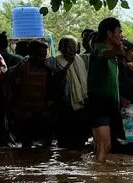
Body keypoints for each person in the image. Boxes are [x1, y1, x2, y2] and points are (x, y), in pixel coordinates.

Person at [87, 17, 125, 162]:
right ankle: (101, 179)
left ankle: (101, 177)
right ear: (110, 34)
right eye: (119, 32)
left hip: (111, 104)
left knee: (104, 147)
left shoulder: (113, 53)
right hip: (99, 103)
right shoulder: (98, 48)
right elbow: (103, 54)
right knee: (104, 146)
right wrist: (117, 51)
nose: (121, 35)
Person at [8, 40, 54, 148]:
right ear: (32, 54)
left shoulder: (49, 69)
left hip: (42, 112)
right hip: (26, 113)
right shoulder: (21, 69)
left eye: (45, 55)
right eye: (41, 55)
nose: (44, 58)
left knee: (46, 145)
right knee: (27, 145)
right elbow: (13, 89)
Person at [49, 36, 89, 149]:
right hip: (64, 105)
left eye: (74, 47)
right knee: (65, 140)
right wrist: (68, 65)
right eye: (69, 47)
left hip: (81, 104)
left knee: (79, 139)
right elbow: (56, 80)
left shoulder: (81, 60)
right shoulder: (55, 61)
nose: (72, 50)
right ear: (62, 48)